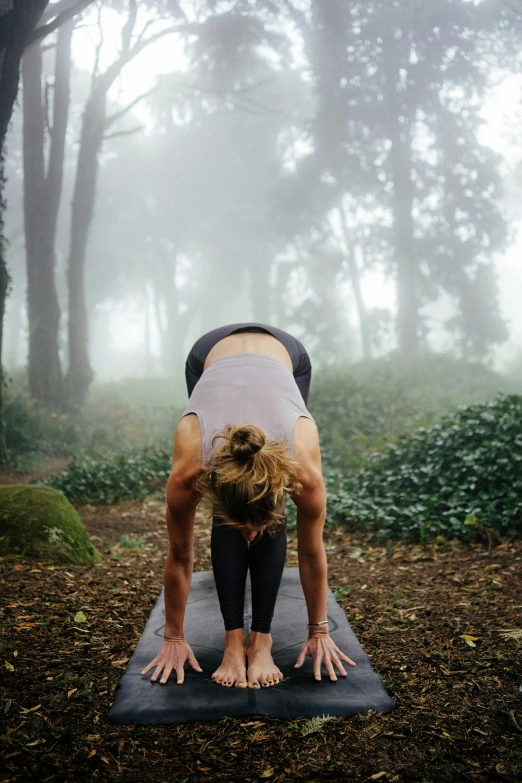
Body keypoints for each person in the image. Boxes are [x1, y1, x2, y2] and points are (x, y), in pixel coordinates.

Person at [141, 323, 356, 689]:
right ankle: (233, 640)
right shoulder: (191, 468)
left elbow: (310, 550)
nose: (252, 536)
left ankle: (262, 641)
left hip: (285, 354)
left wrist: (319, 630)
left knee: (253, 511)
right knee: (236, 502)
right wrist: (173, 637)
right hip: (208, 354)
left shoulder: (301, 467)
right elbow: (179, 554)